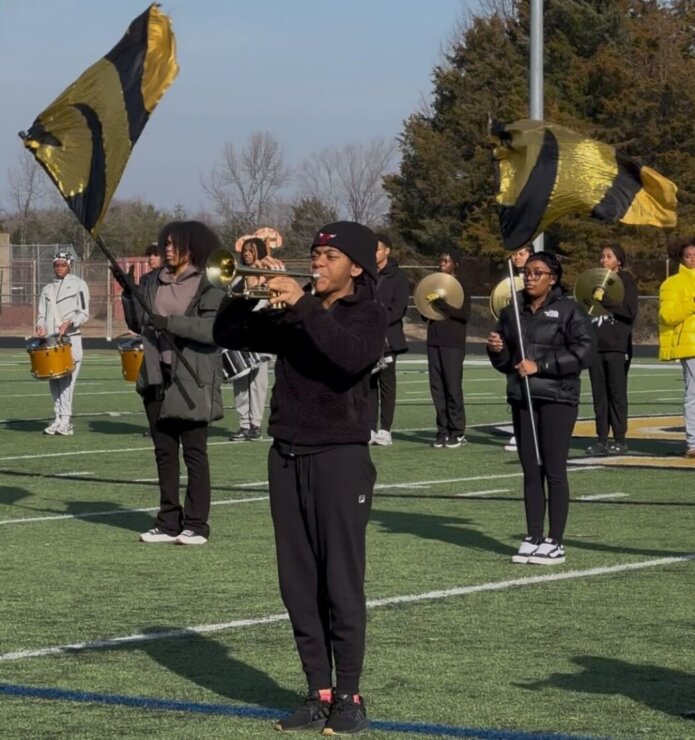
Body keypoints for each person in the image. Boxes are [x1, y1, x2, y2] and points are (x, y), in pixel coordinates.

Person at [213, 221, 387, 735]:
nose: (317, 264)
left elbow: (350, 357)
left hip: (339, 455)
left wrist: (304, 303)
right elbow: (227, 335)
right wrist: (247, 291)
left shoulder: (367, 313)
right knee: (298, 583)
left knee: (341, 581)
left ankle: (350, 695)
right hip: (286, 453)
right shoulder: (292, 309)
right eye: (314, 255)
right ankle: (317, 692)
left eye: (329, 258)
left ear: (355, 267)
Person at [120, 220, 225, 545]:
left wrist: (171, 323)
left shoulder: (209, 284)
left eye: (173, 243)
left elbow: (211, 330)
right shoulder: (152, 281)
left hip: (192, 377)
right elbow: (139, 323)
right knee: (164, 452)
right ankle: (167, 521)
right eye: (164, 243)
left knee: (194, 452)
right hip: (156, 376)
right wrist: (129, 294)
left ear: (191, 247)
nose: (167, 248)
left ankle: (196, 523)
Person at [487, 251, 594, 565]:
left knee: (554, 469)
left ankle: (555, 541)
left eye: (538, 273)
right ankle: (533, 535)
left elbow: (584, 352)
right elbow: (509, 362)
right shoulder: (512, 312)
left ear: (554, 278)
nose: (530, 278)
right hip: (523, 398)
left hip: (558, 398)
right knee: (530, 469)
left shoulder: (570, 311)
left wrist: (542, 365)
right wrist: (496, 350)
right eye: (527, 272)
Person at [585, 243, 639, 456]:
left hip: (617, 346)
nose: (603, 260)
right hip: (596, 347)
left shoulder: (626, 280)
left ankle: (619, 439)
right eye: (602, 256)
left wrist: (606, 300)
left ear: (619, 260)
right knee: (599, 395)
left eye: (608, 256)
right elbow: (585, 307)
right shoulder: (596, 281)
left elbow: (629, 311)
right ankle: (601, 439)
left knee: (616, 393)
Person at [36, 249, 90, 436]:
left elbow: (84, 313)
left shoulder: (79, 285)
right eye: (56, 265)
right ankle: (58, 418)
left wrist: (70, 322)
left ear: (70, 265)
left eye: (63, 265)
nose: (59, 268)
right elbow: (41, 314)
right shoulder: (47, 289)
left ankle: (65, 420)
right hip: (51, 343)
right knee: (54, 381)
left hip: (70, 341)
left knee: (67, 383)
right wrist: (40, 325)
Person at [424, 247, 471, 448]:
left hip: (453, 342)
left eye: (446, 261)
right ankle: (442, 430)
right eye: (441, 260)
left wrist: (441, 304)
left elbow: (463, 315)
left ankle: (457, 431)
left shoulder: (461, 287)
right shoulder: (432, 285)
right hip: (434, 341)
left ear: (455, 264)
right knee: (437, 388)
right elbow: (424, 314)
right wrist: (426, 305)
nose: (442, 264)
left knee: (452, 387)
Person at [228, 237, 272, 442]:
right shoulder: (237, 275)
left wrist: (261, 276)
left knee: (258, 383)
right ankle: (243, 423)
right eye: (244, 250)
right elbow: (230, 296)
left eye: (251, 250)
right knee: (240, 382)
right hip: (240, 334)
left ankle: (256, 424)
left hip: (261, 333)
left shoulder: (269, 273)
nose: (246, 253)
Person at [368, 233, 409, 446]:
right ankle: (370, 428)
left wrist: (378, 318)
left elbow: (399, 308)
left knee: (387, 385)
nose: (373, 252)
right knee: (369, 384)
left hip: (387, 339)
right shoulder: (365, 275)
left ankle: (385, 429)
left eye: (377, 248)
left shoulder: (398, 277)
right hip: (366, 337)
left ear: (387, 251)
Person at [659, 236, 695, 458]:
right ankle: (693, 442)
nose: (692, 259)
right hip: (690, 347)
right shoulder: (672, 283)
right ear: (681, 258)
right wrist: (692, 304)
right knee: (694, 395)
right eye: (688, 256)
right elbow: (668, 315)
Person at [504, 244, 533, 452]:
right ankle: (519, 430)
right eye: (515, 254)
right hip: (515, 339)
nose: (517, 257)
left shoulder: (534, 279)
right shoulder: (511, 282)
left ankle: (531, 431)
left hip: (532, 340)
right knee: (514, 386)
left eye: (522, 253)